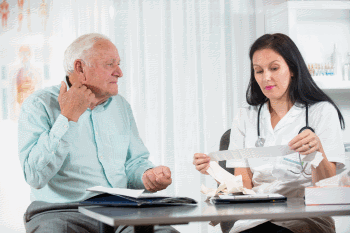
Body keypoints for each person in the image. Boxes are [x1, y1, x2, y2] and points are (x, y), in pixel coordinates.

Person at [18, 33, 178, 233]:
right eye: (110, 64)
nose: (119, 72)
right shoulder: (39, 105)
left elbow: (134, 163)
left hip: (121, 211)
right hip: (60, 212)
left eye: (118, 64)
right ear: (80, 68)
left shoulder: (121, 106)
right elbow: (35, 176)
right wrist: (67, 117)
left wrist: (147, 175)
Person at [193, 33, 345, 233]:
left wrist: (316, 152)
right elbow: (243, 188)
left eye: (274, 68)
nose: (266, 78)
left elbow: (327, 187)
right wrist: (215, 171)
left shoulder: (321, 112)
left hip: (305, 219)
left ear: (292, 69)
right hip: (254, 219)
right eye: (258, 71)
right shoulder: (245, 118)